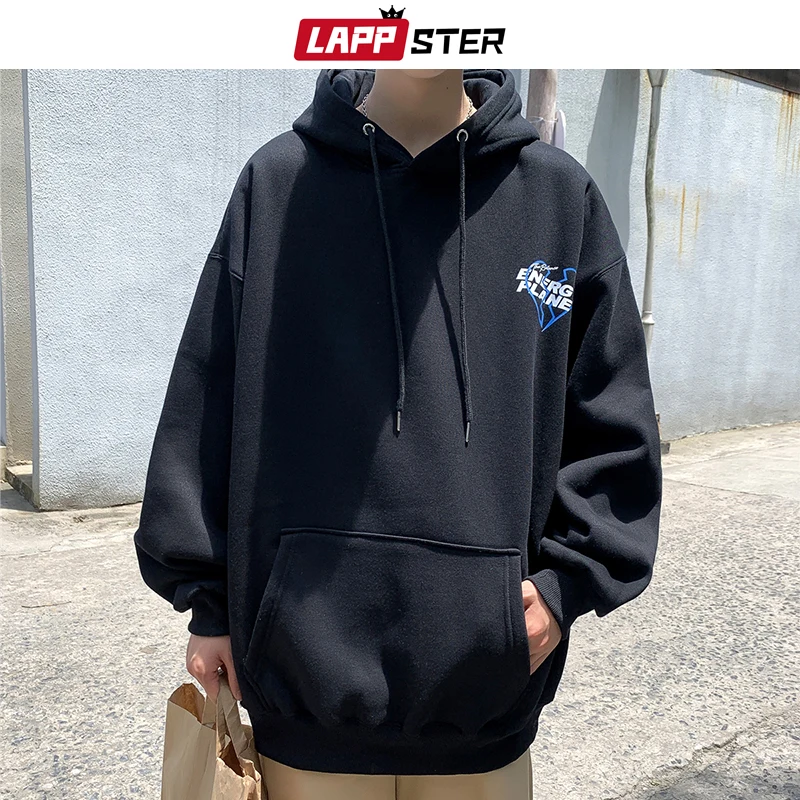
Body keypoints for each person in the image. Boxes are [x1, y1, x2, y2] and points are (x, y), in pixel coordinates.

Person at [133, 68, 662, 799]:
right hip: (304, 696)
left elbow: (612, 424)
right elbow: (206, 401)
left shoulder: (555, 199)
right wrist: (209, 602)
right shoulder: (279, 183)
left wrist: (564, 588)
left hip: (484, 703)